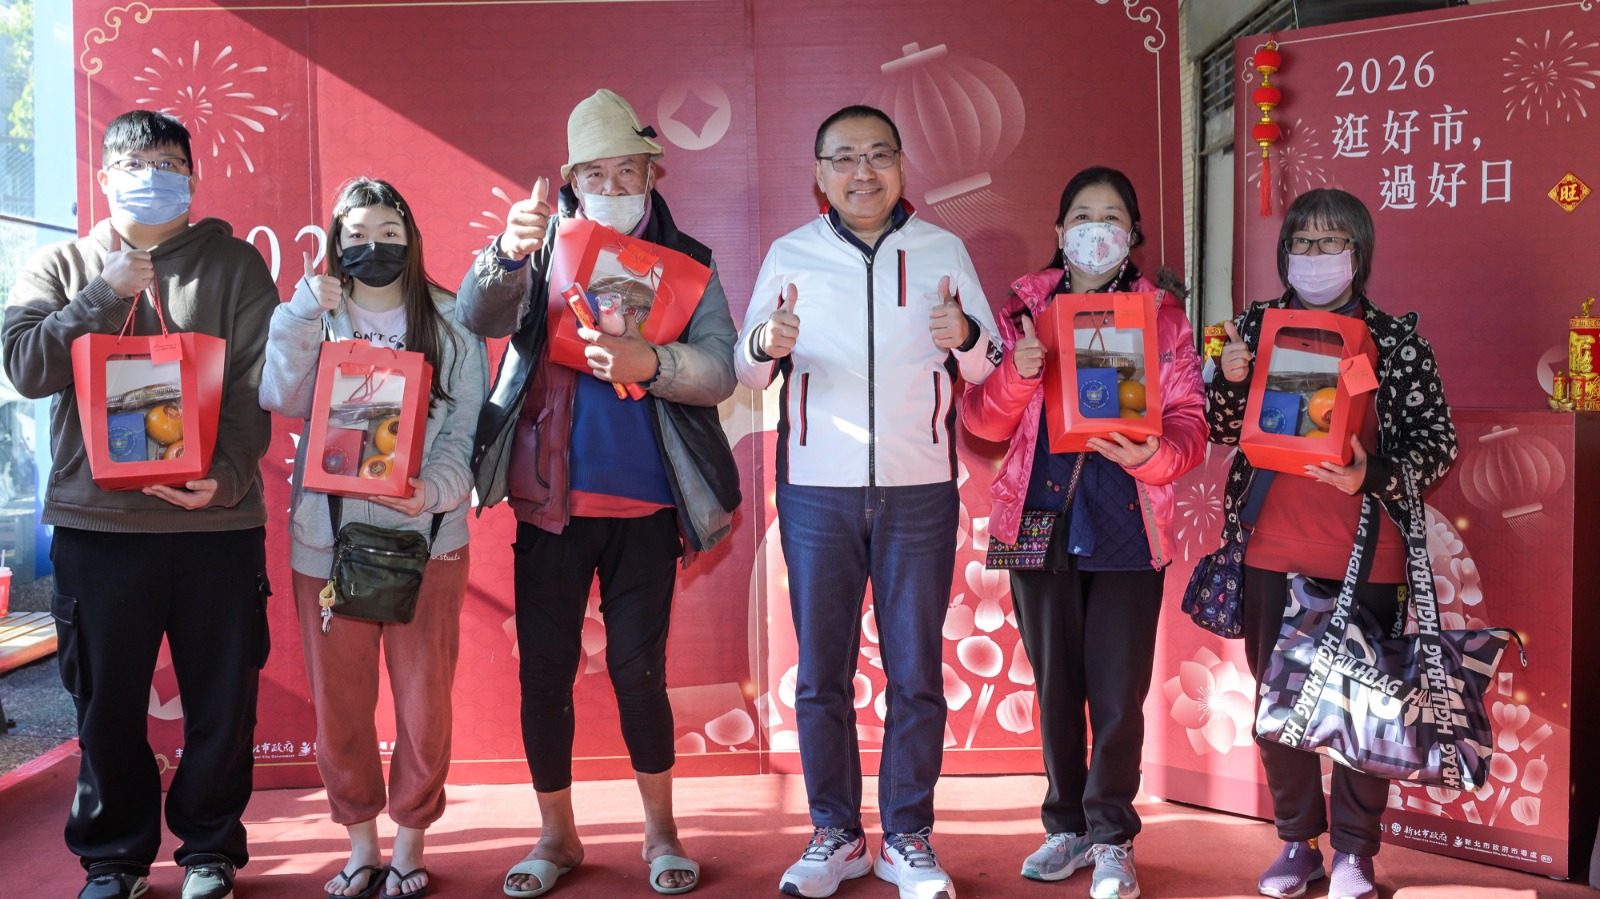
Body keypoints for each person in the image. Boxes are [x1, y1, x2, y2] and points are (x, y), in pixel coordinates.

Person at [457, 89, 740, 898]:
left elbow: (721, 368)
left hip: (647, 503)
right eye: (594, 174)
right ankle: (557, 835)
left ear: (652, 173)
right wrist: (506, 253)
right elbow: (477, 312)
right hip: (550, 501)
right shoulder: (540, 244)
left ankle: (661, 831)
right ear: (570, 179)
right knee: (543, 672)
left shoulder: (689, 260)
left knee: (638, 670)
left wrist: (655, 364)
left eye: (626, 171)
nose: (611, 186)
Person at [1, 110, 276, 899]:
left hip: (216, 522)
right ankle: (114, 858)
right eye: (135, 163)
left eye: (170, 163)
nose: (153, 176)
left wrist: (228, 475)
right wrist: (101, 294)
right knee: (105, 701)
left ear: (193, 177)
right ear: (104, 177)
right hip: (99, 525)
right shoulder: (60, 264)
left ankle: (210, 849)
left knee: (223, 697)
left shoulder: (236, 266)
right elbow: (25, 366)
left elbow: (256, 386)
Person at [735, 104, 1002, 899]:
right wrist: (767, 344)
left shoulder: (942, 250)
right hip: (817, 492)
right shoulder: (791, 253)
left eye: (879, 155)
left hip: (920, 491)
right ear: (819, 173)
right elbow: (746, 368)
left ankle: (908, 835)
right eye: (845, 158)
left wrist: (964, 334)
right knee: (822, 671)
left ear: (901, 166)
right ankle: (837, 833)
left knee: (917, 672)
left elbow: (989, 365)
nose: (863, 172)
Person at [961, 166, 1207, 899]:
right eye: (1082, 216)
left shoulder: (1163, 317)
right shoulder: (1020, 311)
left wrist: (1153, 456)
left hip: (1131, 520)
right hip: (1034, 515)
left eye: (1112, 218)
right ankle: (1064, 826)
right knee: (1056, 683)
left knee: (1118, 691)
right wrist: (1017, 373)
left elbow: (1190, 424)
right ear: (1060, 231)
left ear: (1132, 235)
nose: (1096, 230)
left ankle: (1113, 836)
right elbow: (981, 421)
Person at [1208, 187, 1457, 899]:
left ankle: (1354, 853)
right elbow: (1222, 426)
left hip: (1366, 553)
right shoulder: (1252, 328)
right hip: (1269, 546)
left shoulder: (1398, 342)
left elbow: (1439, 444)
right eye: (1303, 242)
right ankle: (1298, 843)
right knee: (1276, 709)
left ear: (1360, 252)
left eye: (1332, 241)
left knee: (1364, 707)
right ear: (1285, 252)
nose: (1315, 255)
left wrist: (1368, 475)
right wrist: (1228, 379)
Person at [259, 178, 488, 899]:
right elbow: (280, 396)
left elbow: (465, 434)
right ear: (336, 242)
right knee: (341, 707)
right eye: (357, 233)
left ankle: (411, 842)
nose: (374, 246)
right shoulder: (316, 310)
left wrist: (432, 492)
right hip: (326, 544)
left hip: (429, 541)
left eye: (390, 232)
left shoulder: (451, 319)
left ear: (411, 239)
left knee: (425, 705)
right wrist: (301, 314)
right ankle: (361, 846)